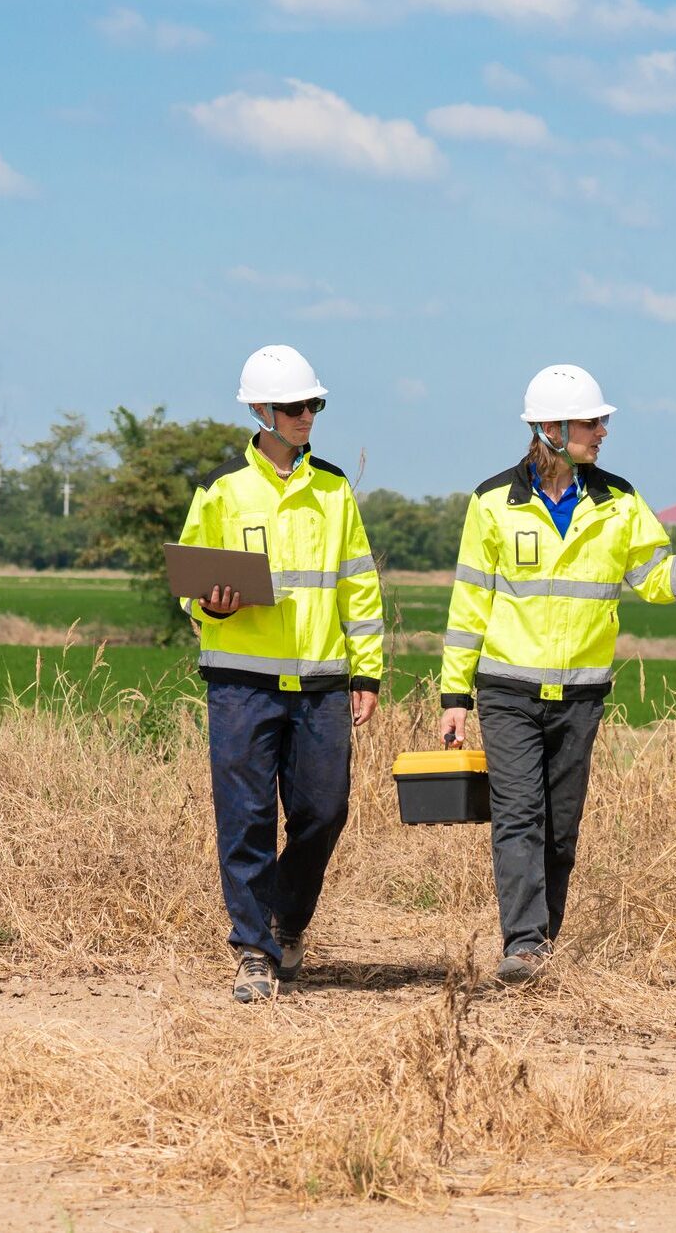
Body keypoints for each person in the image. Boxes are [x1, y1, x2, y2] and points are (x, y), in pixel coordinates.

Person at [438, 364, 676, 984]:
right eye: (591, 421)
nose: (602, 431)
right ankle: (521, 944)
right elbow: (469, 605)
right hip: (507, 690)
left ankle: (541, 941)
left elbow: (659, 580)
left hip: (581, 695)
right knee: (518, 815)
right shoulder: (492, 502)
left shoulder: (620, 501)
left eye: (602, 421)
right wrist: (454, 693)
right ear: (550, 427)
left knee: (561, 826)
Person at [178, 345, 384, 1002]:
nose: (308, 416)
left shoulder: (333, 488)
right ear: (262, 412)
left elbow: (359, 583)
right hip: (239, 680)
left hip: (321, 681)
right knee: (245, 819)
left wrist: (368, 673)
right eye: (296, 406)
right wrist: (206, 600)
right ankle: (254, 953)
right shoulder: (219, 490)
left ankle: (286, 917)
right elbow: (188, 580)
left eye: (314, 404)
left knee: (324, 812)